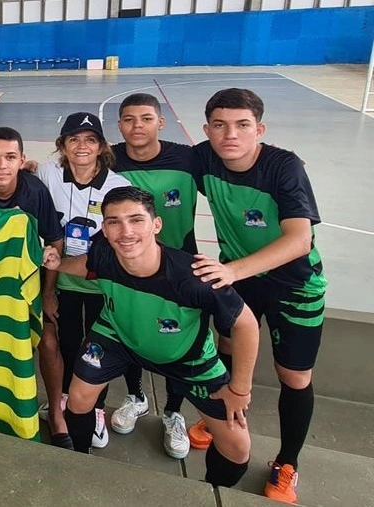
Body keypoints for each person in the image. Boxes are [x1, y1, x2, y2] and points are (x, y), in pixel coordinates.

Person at [43, 186, 258, 490]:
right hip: (116, 336)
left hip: (187, 357)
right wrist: (58, 265)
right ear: (104, 228)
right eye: (114, 222)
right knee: (77, 399)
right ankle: (81, 462)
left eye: (136, 220)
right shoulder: (105, 252)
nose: (125, 231)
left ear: (156, 225)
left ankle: (206, 492)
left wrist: (240, 389)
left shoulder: (194, 277)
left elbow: (246, 324)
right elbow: (89, 266)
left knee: (237, 447)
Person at [190, 88, 326, 504]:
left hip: (294, 284)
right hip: (242, 278)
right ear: (207, 130)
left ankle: (287, 463)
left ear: (259, 129)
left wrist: (230, 270)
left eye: (242, 125)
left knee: (294, 377)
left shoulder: (284, 168)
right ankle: (226, 422)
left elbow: (299, 239)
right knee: (228, 347)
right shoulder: (203, 158)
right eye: (220, 125)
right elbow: (145, 158)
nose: (230, 134)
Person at [110, 92, 198, 459]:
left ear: (161, 122)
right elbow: (68, 165)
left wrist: (280, 159)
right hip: (129, 262)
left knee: (179, 342)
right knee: (131, 328)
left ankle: (174, 412)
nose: (137, 126)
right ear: (119, 125)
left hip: (179, 263)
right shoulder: (109, 158)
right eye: (129, 119)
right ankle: (136, 397)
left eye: (146, 118)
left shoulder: (190, 158)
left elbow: (237, 161)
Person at [36, 112, 130, 450]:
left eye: (90, 140)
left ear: (102, 146)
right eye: (74, 139)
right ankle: (66, 400)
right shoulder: (48, 174)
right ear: (62, 145)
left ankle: (98, 408)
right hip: (63, 282)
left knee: (99, 348)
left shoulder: (117, 186)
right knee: (70, 342)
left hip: (100, 283)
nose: (82, 146)